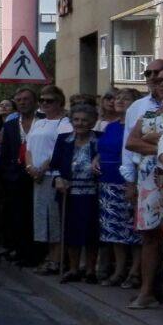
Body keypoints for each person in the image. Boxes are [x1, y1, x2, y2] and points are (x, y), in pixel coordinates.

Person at [125, 61, 163, 309]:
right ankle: (147, 291)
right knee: (149, 236)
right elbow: (131, 143)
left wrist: (152, 144)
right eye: (158, 80)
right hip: (150, 182)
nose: (161, 84)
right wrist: (159, 146)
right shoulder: (149, 115)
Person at [51, 102, 102, 283]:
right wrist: (57, 178)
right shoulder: (63, 139)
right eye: (76, 120)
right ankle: (73, 268)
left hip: (93, 193)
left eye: (85, 120)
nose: (80, 123)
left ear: (93, 121)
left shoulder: (100, 139)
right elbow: (55, 164)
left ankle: (90, 270)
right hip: (69, 192)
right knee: (71, 231)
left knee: (91, 232)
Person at [27, 85, 73, 275]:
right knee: (41, 219)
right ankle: (49, 256)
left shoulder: (64, 122)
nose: (45, 104)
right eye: (42, 100)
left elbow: (59, 150)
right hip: (36, 176)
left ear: (60, 102)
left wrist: (43, 168)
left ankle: (56, 260)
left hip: (52, 175)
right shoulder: (38, 123)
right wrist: (30, 168)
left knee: (53, 219)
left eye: (50, 101)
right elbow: (28, 147)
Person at [0, 87, 40, 268]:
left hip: (37, 174)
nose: (22, 102)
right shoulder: (11, 125)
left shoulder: (42, 122)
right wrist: (3, 174)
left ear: (34, 101)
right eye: (18, 99)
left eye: (26, 99)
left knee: (36, 216)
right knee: (18, 217)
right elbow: (4, 153)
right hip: (15, 177)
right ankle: (21, 251)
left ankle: (36, 254)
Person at [99, 89, 140, 287]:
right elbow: (102, 148)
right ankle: (119, 269)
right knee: (113, 231)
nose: (120, 101)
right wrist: (95, 159)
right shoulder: (111, 126)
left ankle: (134, 272)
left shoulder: (135, 126)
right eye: (118, 98)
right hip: (108, 182)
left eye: (126, 98)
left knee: (132, 231)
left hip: (127, 182)